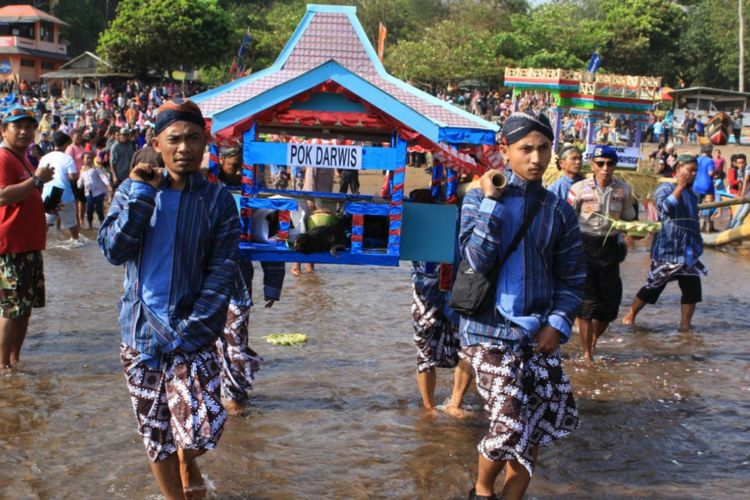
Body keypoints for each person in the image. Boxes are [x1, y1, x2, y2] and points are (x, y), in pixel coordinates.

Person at [98, 99, 239, 498]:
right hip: (141, 335)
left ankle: (187, 458)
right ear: (156, 142)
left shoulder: (217, 201)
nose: (184, 148)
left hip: (193, 332)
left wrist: (192, 327)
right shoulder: (132, 189)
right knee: (155, 431)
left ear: (206, 141)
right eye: (174, 139)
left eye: (194, 138)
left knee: (205, 424)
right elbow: (112, 250)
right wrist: (142, 195)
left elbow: (222, 269)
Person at [457, 111, 584, 500]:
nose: (536, 158)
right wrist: (493, 203)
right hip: (487, 331)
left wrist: (558, 323)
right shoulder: (478, 197)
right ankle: (481, 490)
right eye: (525, 149)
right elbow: (476, 259)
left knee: (536, 424)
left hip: (538, 333)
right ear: (504, 151)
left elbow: (573, 276)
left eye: (543, 148)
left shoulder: (558, 210)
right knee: (509, 422)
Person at [567, 145, 636, 361]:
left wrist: (637, 230)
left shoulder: (623, 190)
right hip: (584, 248)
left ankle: (594, 339)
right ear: (592, 165)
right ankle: (587, 354)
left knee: (609, 306)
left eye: (610, 163)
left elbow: (629, 220)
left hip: (610, 250)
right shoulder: (578, 189)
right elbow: (566, 221)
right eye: (600, 163)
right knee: (586, 306)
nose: (605, 168)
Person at [0, 106, 54, 373]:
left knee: (25, 308)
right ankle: (2, 365)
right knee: (12, 308)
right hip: (12, 247)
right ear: (4, 130)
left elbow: (21, 198)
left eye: (29, 126)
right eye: (17, 126)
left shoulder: (24, 158)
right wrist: (36, 180)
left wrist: (43, 204)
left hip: (30, 245)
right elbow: (2, 196)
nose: (24, 131)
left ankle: (14, 361)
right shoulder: (3, 157)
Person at [623, 155, 704, 332]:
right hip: (668, 250)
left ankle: (685, 326)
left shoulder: (692, 194)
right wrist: (680, 187)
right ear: (678, 170)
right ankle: (630, 315)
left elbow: (693, 222)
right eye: (689, 170)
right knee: (654, 286)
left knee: (692, 289)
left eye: (695, 171)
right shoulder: (665, 188)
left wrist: (698, 245)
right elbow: (664, 208)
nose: (693, 174)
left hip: (688, 251)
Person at [40, 131, 81, 244]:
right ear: (65, 145)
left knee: (46, 223)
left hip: (47, 193)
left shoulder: (44, 158)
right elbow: (73, 177)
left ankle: (39, 243)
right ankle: (75, 241)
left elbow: (39, 175)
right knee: (71, 223)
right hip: (65, 194)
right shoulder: (67, 159)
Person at [77, 152, 109, 229]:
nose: (89, 159)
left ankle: (103, 225)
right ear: (83, 160)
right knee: (89, 210)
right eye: (87, 158)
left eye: (90, 158)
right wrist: (78, 181)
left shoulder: (95, 169)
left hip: (99, 192)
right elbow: (80, 185)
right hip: (89, 193)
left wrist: (108, 184)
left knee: (99, 209)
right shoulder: (82, 172)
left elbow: (102, 176)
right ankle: (90, 225)